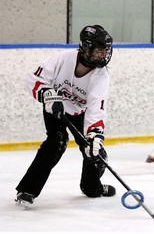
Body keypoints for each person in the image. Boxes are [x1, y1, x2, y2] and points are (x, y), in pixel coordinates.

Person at [15, 25, 116, 208]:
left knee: (94, 153)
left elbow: (96, 107)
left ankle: (92, 188)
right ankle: (27, 189)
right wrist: (47, 94)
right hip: (55, 106)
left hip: (80, 113)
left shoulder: (101, 76)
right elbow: (33, 77)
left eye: (105, 51)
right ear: (85, 47)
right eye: (99, 51)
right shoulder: (64, 59)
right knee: (56, 142)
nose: (103, 56)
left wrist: (94, 135)